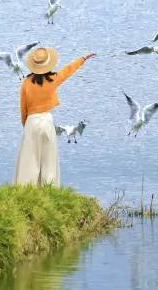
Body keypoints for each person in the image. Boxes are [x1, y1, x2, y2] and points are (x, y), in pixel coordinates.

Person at [13, 45, 96, 187]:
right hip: (46, 121)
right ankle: (49, 188)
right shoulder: (53, 79)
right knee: (48, 159)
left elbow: (23, 109)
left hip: (31, 122)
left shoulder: (26, 83)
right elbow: (69, 69)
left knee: (29, 160)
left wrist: (25, 126)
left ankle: (26, 189)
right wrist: (83, 58)